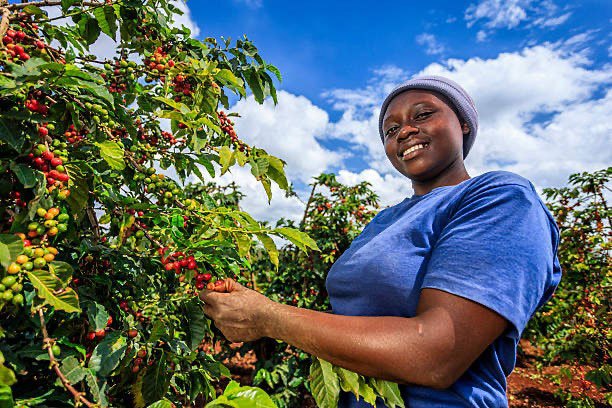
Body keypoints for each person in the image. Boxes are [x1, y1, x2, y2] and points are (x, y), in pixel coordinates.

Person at [199, 75, 562, 407]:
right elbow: (352, 322)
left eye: (422, 115)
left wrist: (270, 318)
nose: (404, 131)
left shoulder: (500, 198)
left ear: (463, 124)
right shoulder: (383, 220)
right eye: (390, 130)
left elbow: (436, 354)